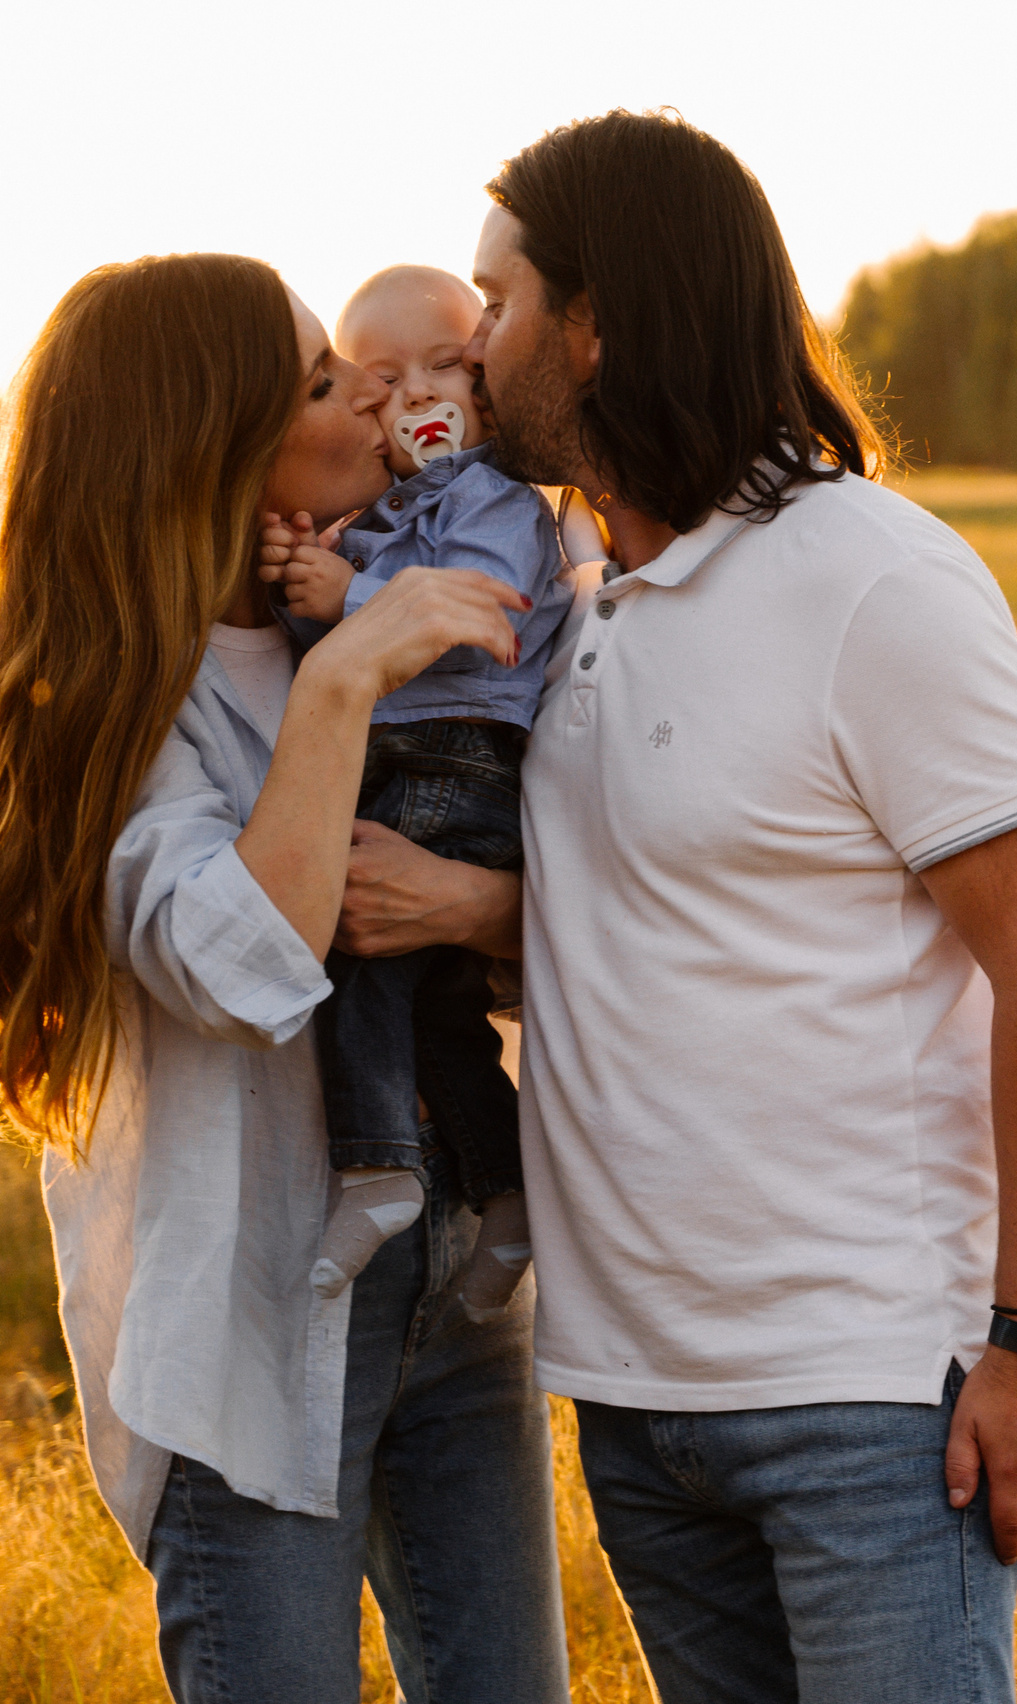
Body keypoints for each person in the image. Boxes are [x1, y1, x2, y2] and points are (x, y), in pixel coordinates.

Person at [337, 109, 1017, 1702]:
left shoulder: (871, 580)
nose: (468, 352)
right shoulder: (577, 602)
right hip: (633, 1401)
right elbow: (672, 910)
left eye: (500, 305)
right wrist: (470, 907)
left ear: (603, 325)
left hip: (862, 1401)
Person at [0, 253, 571, 1703]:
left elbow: (513, 910)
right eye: (322, 380)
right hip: (258, 1321)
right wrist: (342, 683)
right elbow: (246, 966)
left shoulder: (373, 591)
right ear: (220, 444)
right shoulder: (137, 701)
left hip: (454, 1271)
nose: (374, 393)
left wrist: (481, 896)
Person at [261, 263, 574, 1317]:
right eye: (383, 379)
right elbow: (345, 651)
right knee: (440, 1008)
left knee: (360, 948)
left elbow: (469, 616)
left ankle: (377, 1164)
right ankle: (506, 1184)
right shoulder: (389, 518)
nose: (415, 395)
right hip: (409, 747)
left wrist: (350, 592)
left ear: (482, 386)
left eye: (445, 365)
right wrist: (304, 584)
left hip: (458, 754)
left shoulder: (492, 497)